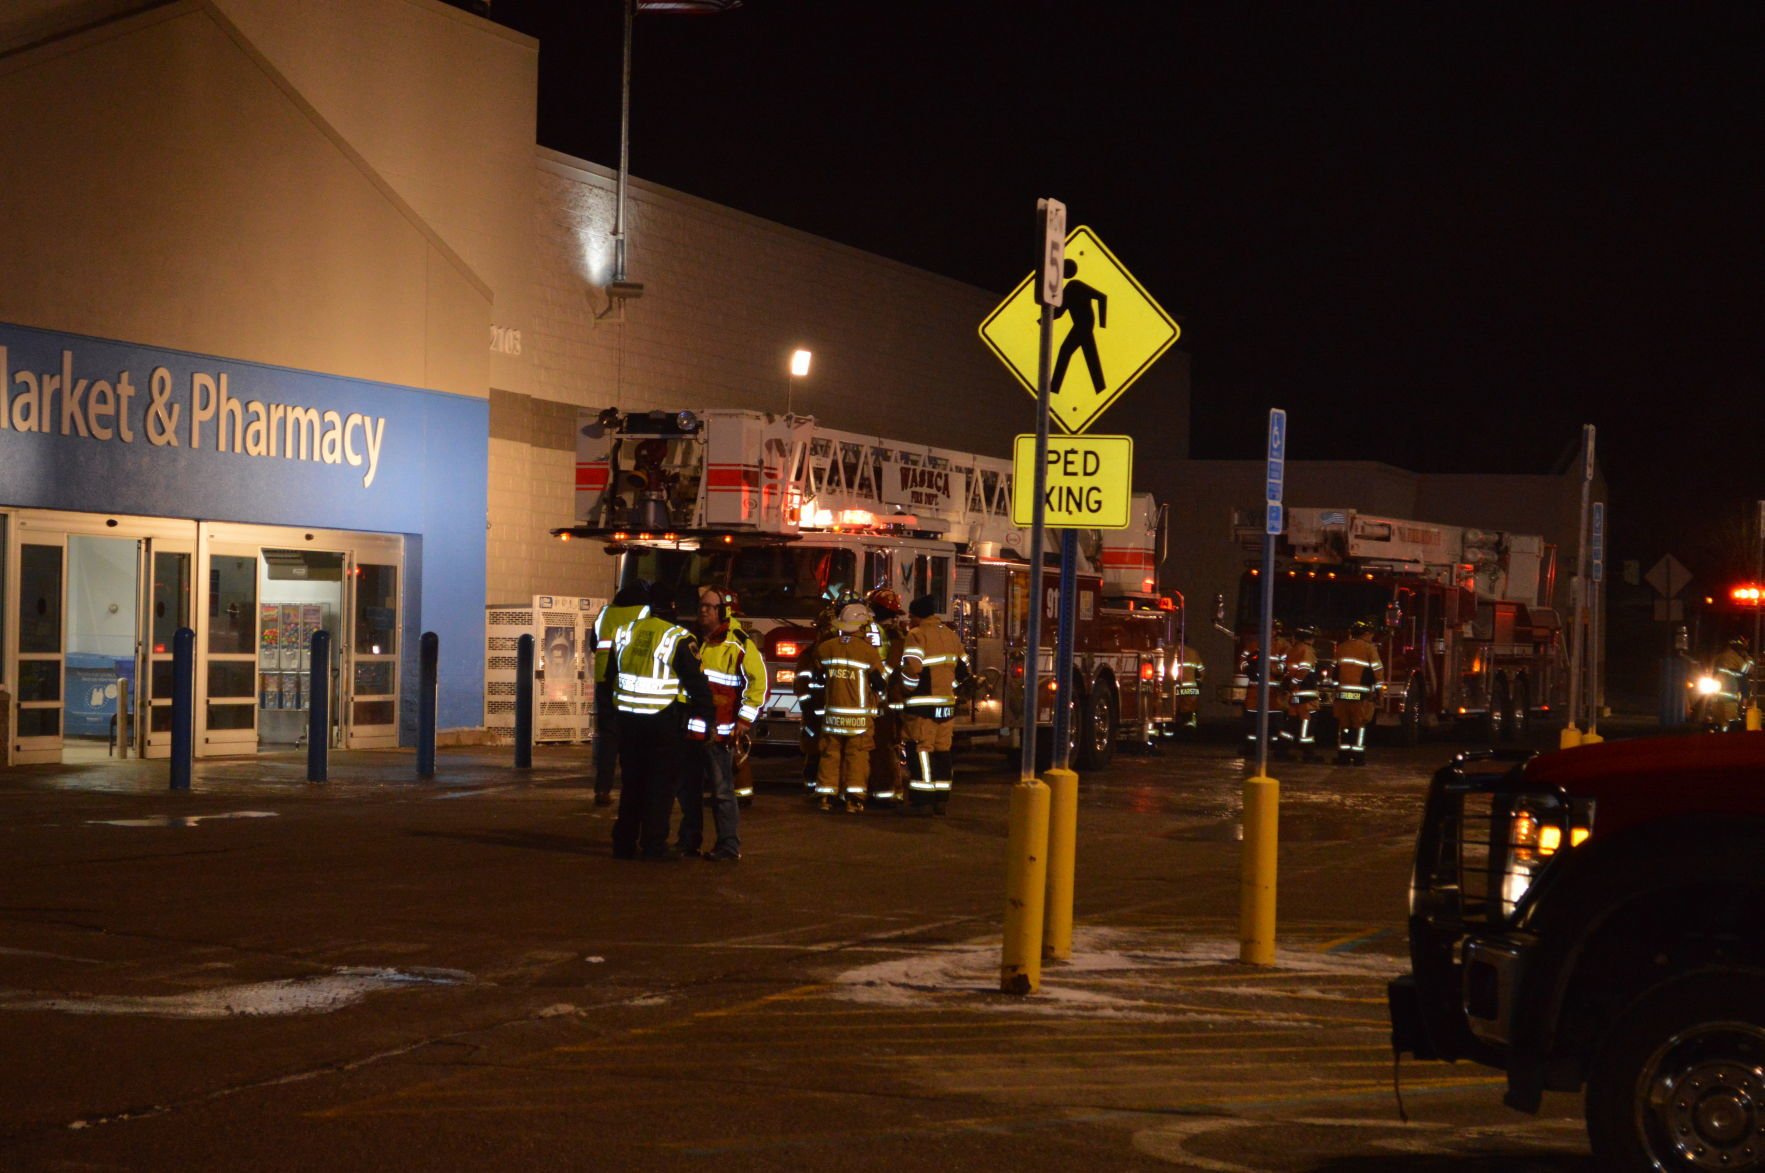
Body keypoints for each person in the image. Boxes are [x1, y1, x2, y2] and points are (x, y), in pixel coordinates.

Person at [605, 582, 712, 861]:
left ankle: (623, 844)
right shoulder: (678, 638)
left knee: (632, 785)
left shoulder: (626, 632)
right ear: (674, 607)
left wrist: (610, 720)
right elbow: (697, 685)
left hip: (627, 721)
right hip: (662, 722)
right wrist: (706, 720)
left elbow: (610, 678)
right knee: (660, 787)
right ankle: (653, 845)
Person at [678, 587, 764, 861]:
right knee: (688, 792)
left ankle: (728, 846)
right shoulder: (690, 639)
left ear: (723, 612)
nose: (703, 610)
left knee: (722, 793)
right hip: (691, 731)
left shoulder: (738, 644)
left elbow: (758, 683)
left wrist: (744, 721)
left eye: (710, 607)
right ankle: (688, 842)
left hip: (720, 734)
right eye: (701, 606)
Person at [813, 601, 887, 812]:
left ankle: (826, 796)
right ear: (862, 626)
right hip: (859, 719)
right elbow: (880, 683)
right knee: (857, 756)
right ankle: (854, 798)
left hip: (832, 716)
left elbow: (818, 678)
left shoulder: (826, 649)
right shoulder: (867, 652)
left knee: (830, 754)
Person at [897, 594, 969, 815]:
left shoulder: (916, 635)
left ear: (917, 616)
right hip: (946, 705)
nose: (909, 620)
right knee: (942, 752)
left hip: (922, 707)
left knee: (921, 751)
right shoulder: (950, 636)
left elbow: (912, 669)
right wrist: (948, 687)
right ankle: (941, 800)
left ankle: (923, 800)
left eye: (911, 616)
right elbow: (963, 671)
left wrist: (906, 690)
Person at [589, 581, 651, 806]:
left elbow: (593, 644)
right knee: (633, 737)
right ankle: (632, 788)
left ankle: (602, 789)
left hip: (604, 680)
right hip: (630, 678)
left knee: (608, 736)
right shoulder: (646, 611)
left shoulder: (606, 612)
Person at [866, 588, 909, 805]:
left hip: (888, 698)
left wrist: (878, 684)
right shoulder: (896, 634)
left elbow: (890, 667)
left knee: (884, 745)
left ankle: (888, 791)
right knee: (888, 745)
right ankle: (891, 788)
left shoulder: (893, 637)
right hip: (893, 697)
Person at [793, 604, 836, 792]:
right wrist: (808, 711)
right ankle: (813, 787)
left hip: (832, 713)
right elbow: (801, 685)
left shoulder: (832, 653)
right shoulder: (810, 655)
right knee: (815, 752)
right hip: (817, 714)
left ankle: (822, 788)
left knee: (830, 753)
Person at [1332, 619, 1384, 765]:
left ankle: (1343, 756)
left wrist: (1336, 689)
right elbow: (1377, 672)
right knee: (1359, 726)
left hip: (1342, 695)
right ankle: (1358, 757)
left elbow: (1334, 672)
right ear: (1366, 634)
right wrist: (1380, 692)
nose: (1372, 636)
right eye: (1371, 634)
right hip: (1360, 696)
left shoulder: (1341, 647)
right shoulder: (1369, 649)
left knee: (1344, 726)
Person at [1240, 619, 1289, 756]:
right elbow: (1243, 661)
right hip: (1255, 692)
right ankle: (1251, 747)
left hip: (1274, 694)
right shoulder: (1254, 644)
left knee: (1275, 724)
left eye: (1274, 629)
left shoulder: (1283, 646)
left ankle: (1275, 748)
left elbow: (1286, 666)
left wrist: (1271, 669)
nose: (1271, 631)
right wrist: (1249, 669)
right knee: (1252, 723)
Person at [1282, 625, 1322, 760]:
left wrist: (1291, 685)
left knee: (1292, 721)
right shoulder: (1307, 650)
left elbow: (1287, 670)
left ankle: (1283, 748)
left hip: (1295, 694)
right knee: (1307, 720)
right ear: (1308, 638)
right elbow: (1304, 670)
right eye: (1313, 637)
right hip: (1306, 694)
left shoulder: (1293, 650)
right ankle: (1307, 751)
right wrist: (1296, 682)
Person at [1709, 636, 1753, 732]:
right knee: (1730, 718)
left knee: (1718, 717)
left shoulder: (1720, 657)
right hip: (1729, 692)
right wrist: (1746, 656)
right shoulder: (1735, 658)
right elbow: (1747, 671)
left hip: (1716, 693)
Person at [1171, 639, 1204, 733]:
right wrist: (1199, 683)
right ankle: (1189, 729)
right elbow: (1202, 671)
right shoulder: (1193, 653)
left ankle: (1173, 729)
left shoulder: (1172, 653)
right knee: (1190, 709)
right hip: (1191, 688)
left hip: (1176, 688)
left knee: (1175, 708)